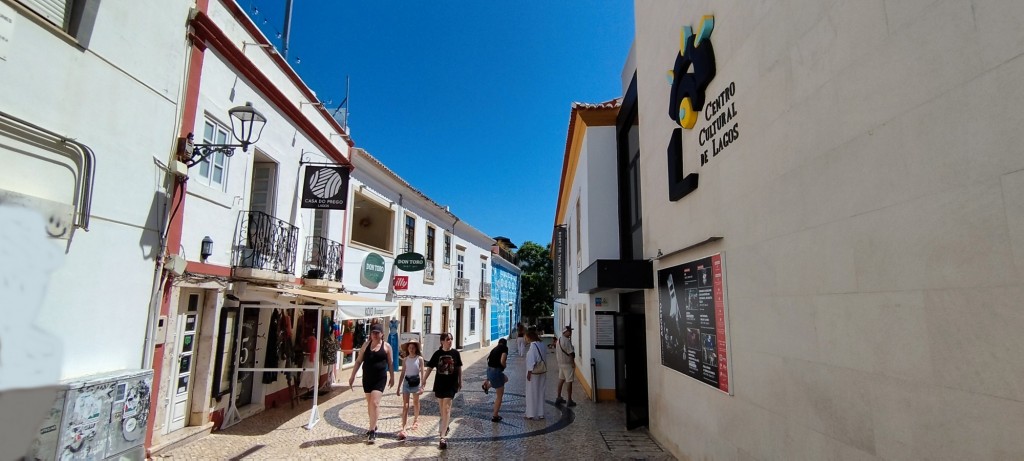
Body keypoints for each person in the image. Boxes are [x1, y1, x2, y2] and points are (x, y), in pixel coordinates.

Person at [347, 322, 394, 444]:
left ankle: (372, 430)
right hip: (367, 378)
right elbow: (358, 361)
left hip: (380, 378)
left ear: (382, 334)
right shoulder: (366, 345)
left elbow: (390, 363)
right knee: (370, 404)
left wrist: (392, 377)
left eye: (377, 333)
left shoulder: (386, 347)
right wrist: (352, 376)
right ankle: (374, 423)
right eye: (373, 332)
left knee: (375, 402)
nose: (375, 335)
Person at [423, 332, 462, 450]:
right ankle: (445, 425)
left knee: (447, 408)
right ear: (442, 341)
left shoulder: (455, 353)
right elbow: (429, 368)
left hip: (451, 385)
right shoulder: (437, 354)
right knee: (442, 409)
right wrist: (424, 379)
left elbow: (459, 367)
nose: (450, 341)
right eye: (448, 339)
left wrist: (461, 380)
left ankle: (442, 437)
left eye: (451, 339)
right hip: (440, 384)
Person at [395, 339, 425, 440]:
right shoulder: (405, 360)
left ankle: (416, 420)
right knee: (405, 405)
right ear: (407, 349)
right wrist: (399, 387)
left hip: (416, 382)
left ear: (416, 348)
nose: (411, 349)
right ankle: (403, 427)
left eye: (413, 347)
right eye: (410, 348)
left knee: (416, 402)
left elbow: (422, 373)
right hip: (407, 383)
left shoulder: (419, 359)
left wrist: (422, 386)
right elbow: (403, 373)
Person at [480, 338, 509, 422]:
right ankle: (495, 416)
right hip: (496, 372)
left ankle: (487, 386)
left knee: (506, 379)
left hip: (489, 370)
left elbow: (490, 360)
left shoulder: (494, 349)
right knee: (499, 396)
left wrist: (488, 378)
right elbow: (503, 360)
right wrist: (504, 365)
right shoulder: (504, 348)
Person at [523, 330, 547, 420]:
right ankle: (541, 413)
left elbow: (531, 361)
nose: (525, 339)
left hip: (534, 373)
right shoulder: (542, 344)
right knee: (541, 391)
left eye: (526, 337)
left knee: (531, 392)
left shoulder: (533, 346)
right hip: (542, 371)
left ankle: (530, 413)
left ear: (529, 337)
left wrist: (529, 373)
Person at [554, 326, 577, 407]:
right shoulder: (567, 341)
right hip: (567, 364)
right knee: (569, 381)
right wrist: (573, 363)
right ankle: (570, 400)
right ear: (565, 332)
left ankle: (558, 397)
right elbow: (570, 353)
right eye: (569, 331)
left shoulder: (559, 340)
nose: (571, 332)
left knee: (561, 380)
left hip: (560, 364)